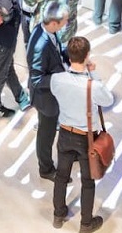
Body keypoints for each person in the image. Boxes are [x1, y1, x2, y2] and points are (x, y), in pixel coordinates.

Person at [51, 36, 112, 233]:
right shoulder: (92, 85)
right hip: (86, 138)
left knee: (61, 176)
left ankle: (58, 215)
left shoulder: (57, 79)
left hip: (64, 133)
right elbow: (108, 100)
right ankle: (86, 223)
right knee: (87, 181)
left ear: (69, 56)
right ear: (87, 56)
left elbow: (55, 92)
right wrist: (93, 73)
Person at [27, 1, 70, 180]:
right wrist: (60, 78)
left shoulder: (46, 30)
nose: (67, 23)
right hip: (45, 99)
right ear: (53, 23)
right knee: (46, 134)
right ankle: (46, 169)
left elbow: (57, 51)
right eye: (64, 20)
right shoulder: (41, 46)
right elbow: (36, 79)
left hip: (53, 94)